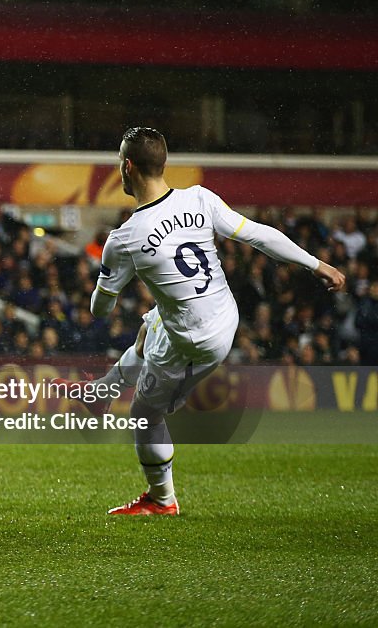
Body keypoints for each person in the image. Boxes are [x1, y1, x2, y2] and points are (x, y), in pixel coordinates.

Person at [60, 127, 344, 516]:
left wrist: (104, 284)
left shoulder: (124, 238)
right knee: (150, 326)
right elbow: (260, 236)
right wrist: (318, 265)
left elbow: (100, 312)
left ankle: (162, 500)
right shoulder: (199, 198)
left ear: (127, 167)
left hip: (195, 339)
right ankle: (103, 394)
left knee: (144, 415)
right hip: (224, 313)